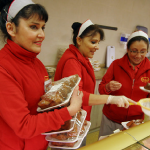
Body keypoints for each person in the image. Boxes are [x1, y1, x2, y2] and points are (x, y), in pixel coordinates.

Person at [0, 0, 83, 150]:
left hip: (41, 143)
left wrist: (64, 100)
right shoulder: (3, 68)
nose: (42, 35)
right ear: (11, 28)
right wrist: (68, 111)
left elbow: (44, 103)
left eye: (43, 27)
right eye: (34, 27)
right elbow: (23, 126)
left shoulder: (37, 64)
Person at [54, 19, 136, 146]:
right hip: (70, 123)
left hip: (79, 119)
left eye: (98, 42)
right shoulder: (72, 61)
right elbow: (77, 96)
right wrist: (110, 99)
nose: (97, 47)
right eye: (93, 42)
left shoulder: (82, 58)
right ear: (79, 40)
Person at [98, 30, 150, 137]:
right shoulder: (116, 65)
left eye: (143, 51)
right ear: (127, 49)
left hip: (135, 122)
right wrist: (108, 87)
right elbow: (101, 89)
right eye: (134, 51)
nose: (138, 55)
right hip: (111, 119)